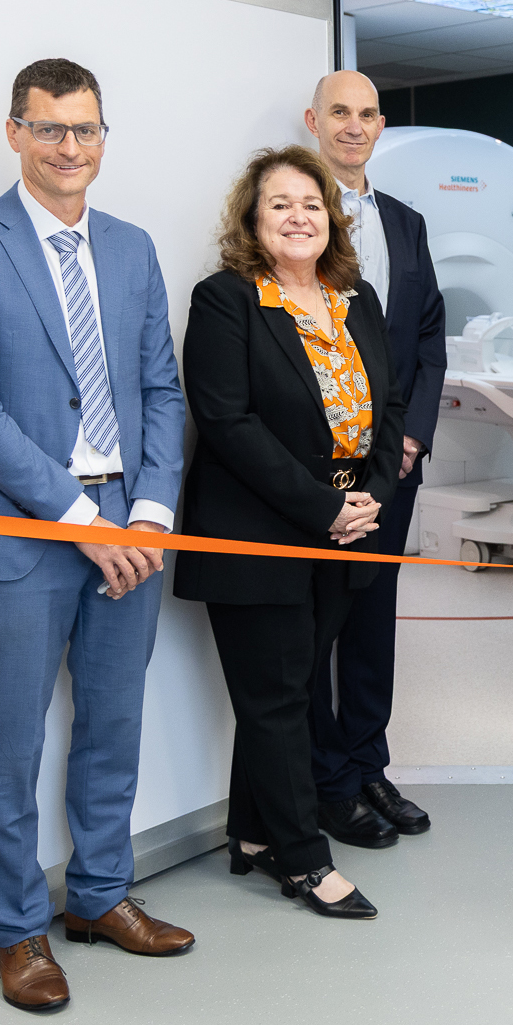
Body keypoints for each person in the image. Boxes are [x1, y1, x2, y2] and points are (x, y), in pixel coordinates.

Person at [0, 58, 193, 1011]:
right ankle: (16, 930)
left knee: (113, 723)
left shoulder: (131, 246)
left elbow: (160, 389)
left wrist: (148, 512)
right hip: (16, 536)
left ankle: (102, 896)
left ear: (103, 138)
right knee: (9, 743)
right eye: (49, 129)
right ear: (15, 133)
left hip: (131, 526)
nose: (69, 147)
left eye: (84, 130)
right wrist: (83, 522)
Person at [173, 145, 406, 920]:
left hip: (345, 529)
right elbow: (227, 422)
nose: (298, 217)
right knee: (276, 697)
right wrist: (321, 506)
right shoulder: (227, 299)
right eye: (280, 204)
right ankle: (305, 859)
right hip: (259, 531)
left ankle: (252, 834)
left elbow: (389, 405)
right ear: (252, 219)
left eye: (311, 204)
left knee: (291, 687)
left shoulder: (356, 298)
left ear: (330, 218)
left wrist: (372, 496)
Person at [302, 70, 446, 847]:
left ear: (380, 125)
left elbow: (428, 336)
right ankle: (327, 779)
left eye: (365, 114)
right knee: (314, 624)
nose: (353, 126)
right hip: (318, 464)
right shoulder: (292, 216)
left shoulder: (406, 223)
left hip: (393, 461)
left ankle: (367, 765)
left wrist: (412, 437)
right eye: (339, 113)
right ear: (313, 121)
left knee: (373, 616)